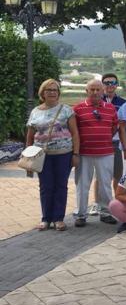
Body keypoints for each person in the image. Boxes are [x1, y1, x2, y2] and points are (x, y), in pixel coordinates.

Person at [26, 79, 79, 231]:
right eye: (48, 90)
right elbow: (30, 135)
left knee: (61, 186)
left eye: (55, 90)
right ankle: (46, 218)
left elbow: (75, 133)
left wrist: (76, 153)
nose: (52, 93)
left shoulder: (66, 110)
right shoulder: (35, 111)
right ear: (42, 93)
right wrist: (28, 154)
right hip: (42, 155)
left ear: (58, 93)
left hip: (64, 154)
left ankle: (58, 218)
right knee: (45, 186)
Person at [73, 79, 119, 227]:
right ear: (86, 91)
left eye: (98, 89)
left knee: (105, 184)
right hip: (84, 153)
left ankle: (106, 212)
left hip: (105, 152)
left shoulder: (111, 108)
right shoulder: (78, 109)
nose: (95, 92)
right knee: (82, 184)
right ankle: (81, 214)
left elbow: (113, 128)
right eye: (91, 89)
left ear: (103, 91)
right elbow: (74, 131)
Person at [101, 73, 126, 197]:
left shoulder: (123, 103)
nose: (109, 85)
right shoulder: (96, 101)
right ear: (102, 85)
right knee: (100, 175)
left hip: (116, 143)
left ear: (116, 85)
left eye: (112, 83)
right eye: (106, 83)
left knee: (117, 174)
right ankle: (98, 202)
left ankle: (118, 201)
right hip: (100, 143)